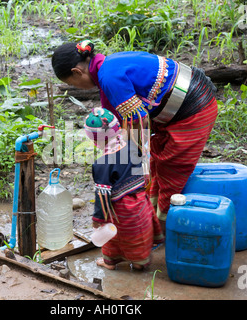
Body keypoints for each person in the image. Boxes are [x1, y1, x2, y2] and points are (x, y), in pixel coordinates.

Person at [51, 40, 218, 233]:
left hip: (194, 110)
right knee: (156, 167)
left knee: (171, 173)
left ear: (77, 72)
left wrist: (130, 160)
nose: (78, 87)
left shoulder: (110, 77)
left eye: (73, 84)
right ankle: (153, 223)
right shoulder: (110, 64)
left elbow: (138, 121)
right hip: (180, 107)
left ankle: (164, 235)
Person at [84, 107, 164, 270]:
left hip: (119, 209)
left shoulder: (101, 164)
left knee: (114, 237)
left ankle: (110, 262)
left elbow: (102, 195)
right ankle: (139, 263)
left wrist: (98, 219)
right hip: (140, 202)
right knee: (138, 234)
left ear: (95, 141)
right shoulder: (133, 147)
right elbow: (143, 172)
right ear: (117, 129)